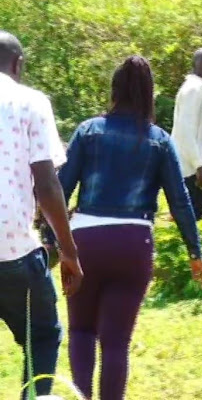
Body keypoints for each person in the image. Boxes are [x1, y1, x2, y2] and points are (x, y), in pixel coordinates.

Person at [56, 56, 202, 400]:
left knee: (81, 330)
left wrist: (53, 242)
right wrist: (195, 253)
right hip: (133, 243)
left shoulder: (88, 131)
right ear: (149, 95)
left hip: (85, 242)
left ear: (113, 90)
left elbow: (61, 188)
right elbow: (181, 202)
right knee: (116, 343)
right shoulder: (158, 139)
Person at [0, 30, 83, 399]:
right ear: (18, 64)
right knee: (43, 336)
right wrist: (68, 250)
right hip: (13, 251)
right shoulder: (29, 101)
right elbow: (47, 184)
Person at [171, 48, 202, 220]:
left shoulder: (200, 89)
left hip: (198, 170)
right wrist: (199, 166)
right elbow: (185, 130)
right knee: (196, 223)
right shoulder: (193, 89)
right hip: (192, 172)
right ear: (196, 64)